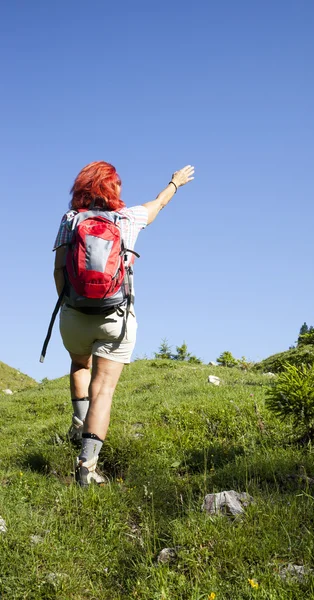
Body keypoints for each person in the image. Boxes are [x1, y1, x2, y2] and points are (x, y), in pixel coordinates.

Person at [53, 161, 195, 486]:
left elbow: (59, 269)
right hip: (117, 318)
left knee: (79, 364)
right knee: (103, 391)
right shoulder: (128, 218)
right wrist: (174, 183)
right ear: (114, 188)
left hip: (74, 315)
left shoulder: (70, 220)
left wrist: (70, 304)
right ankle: (86, 468)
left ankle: (77, 426)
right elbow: (158, 203)